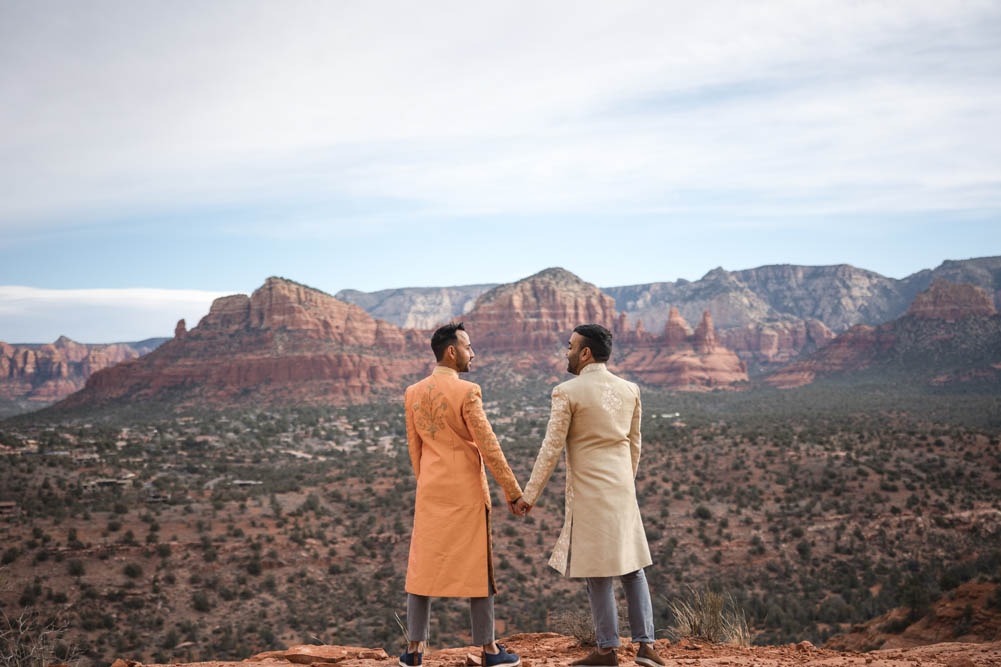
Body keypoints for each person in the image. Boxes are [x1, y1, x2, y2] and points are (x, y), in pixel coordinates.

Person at [513, 324, 665, 667]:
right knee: (633, 566)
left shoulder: (566, 391)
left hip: (590, 493)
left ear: (585, 353)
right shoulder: (630, 389)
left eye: (570, 347)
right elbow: (635, 443)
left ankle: (607, 651)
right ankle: (646, 647)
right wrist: (625, 482)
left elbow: (550, 449)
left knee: (599, 572)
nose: (566, 352)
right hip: (623, 488)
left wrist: (529, 495)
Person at [401, 322, 524, 667]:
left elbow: (416, 450)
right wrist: (512, 491)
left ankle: (413, 650)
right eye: (469, 347)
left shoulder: (412, 392)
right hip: (467, 493)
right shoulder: (468, 392)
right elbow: (489, 447)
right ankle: (489, 650)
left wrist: (426, 484)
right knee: (477, 569)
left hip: (430, 491)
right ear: (451, 351)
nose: (474, 354)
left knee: (421, 567)